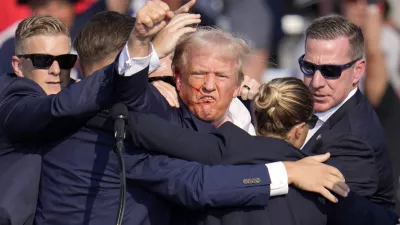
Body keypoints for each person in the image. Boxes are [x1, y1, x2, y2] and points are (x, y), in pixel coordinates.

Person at [128, 77, 399, 225]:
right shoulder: (322, 183)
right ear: (299, 129)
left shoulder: (218, 149)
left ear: (257, 118)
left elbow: (155, 132)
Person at [0, 13, 152, 225]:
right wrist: (134, 57)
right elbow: (56, 108)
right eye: (42, 61)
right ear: (17, 65)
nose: (55, 70)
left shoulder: (72, 94)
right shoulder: (10, 98)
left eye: (64, 61)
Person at [299, 14, 395, 209]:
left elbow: (316, 212)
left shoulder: (354, 143)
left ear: (358, 71)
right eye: (309, 67)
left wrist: (284, 173)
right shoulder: (312, 107)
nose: (316, 82)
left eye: (330, 71)